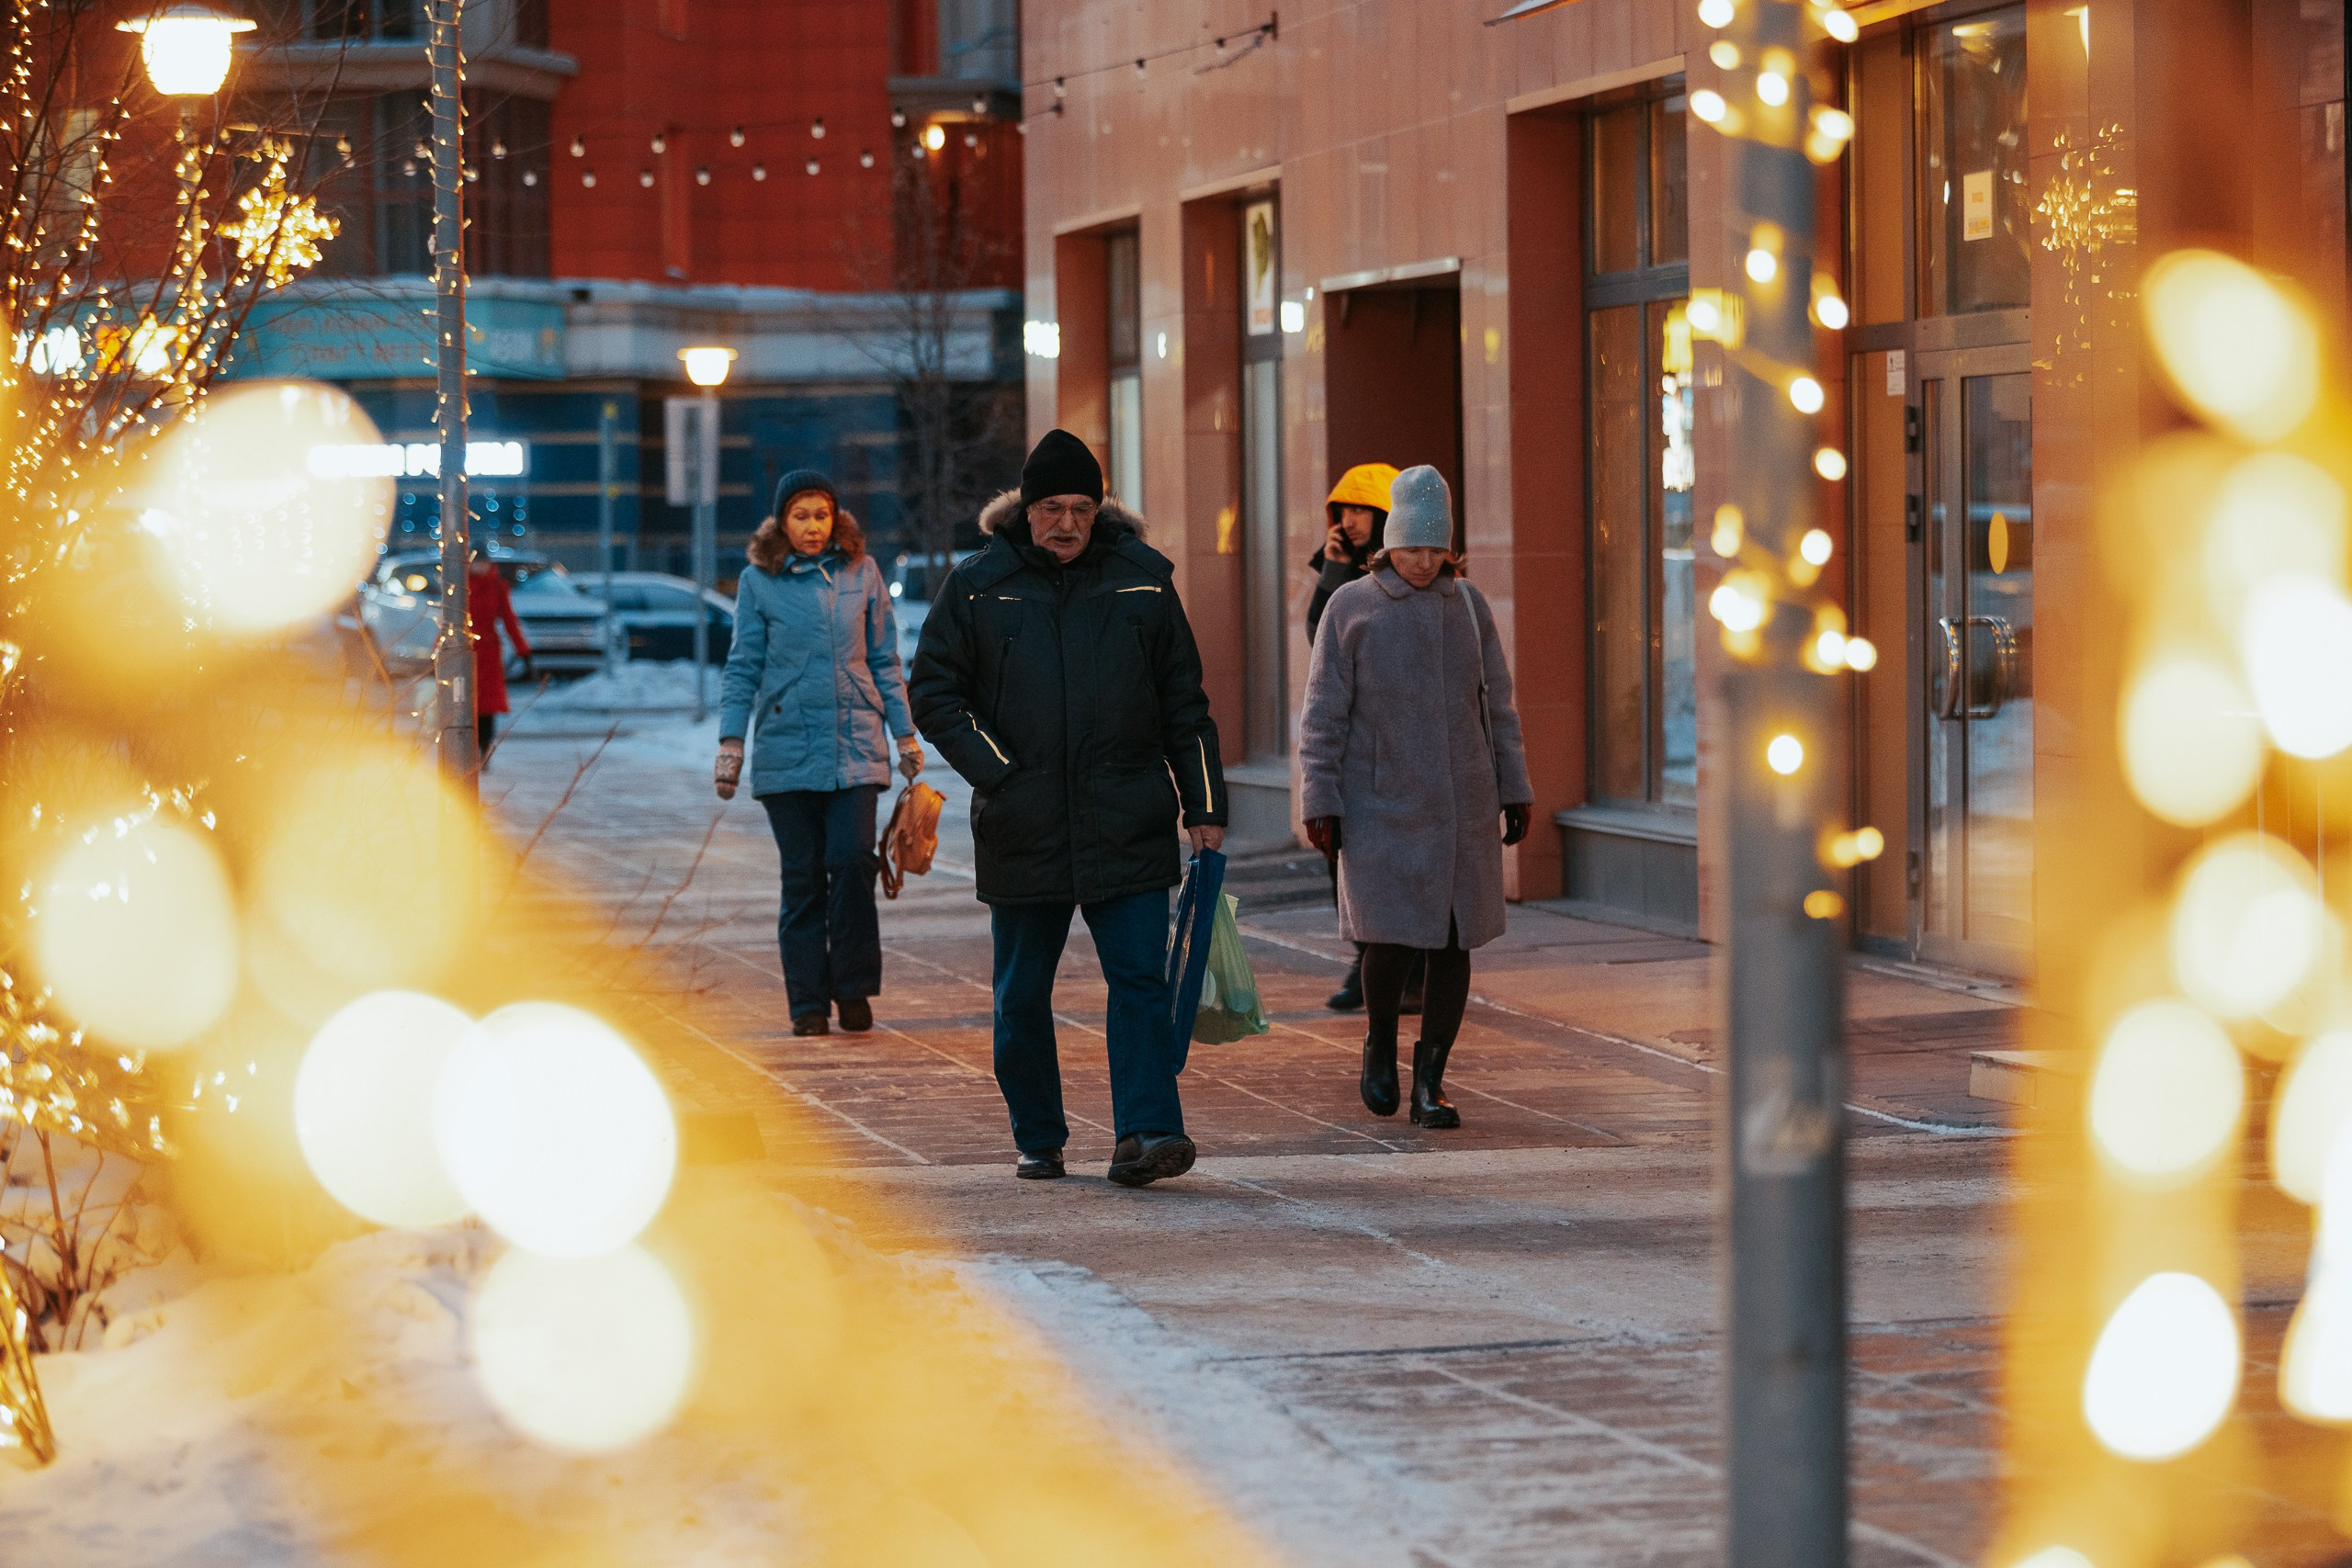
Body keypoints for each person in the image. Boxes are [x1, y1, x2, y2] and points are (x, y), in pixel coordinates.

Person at [910, 429, 1227, 1188]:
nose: (1066, 523)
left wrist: (1205, 806)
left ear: (1099, 510)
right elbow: (934, 690)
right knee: (1021, 993)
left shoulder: (1144, 581)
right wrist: (1000, 772)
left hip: (1127, 814)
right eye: (1052, 507)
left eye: (1082, 509)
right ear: (1025, 509)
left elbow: (1185, 703)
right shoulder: (979, 585)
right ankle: (1040, 1137)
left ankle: (1147, 1131)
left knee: (1140, 982)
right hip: (1026, 822)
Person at [1297, 465, 1533, 1130]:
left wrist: (1514, 786)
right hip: (1380, 806)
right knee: (1388, 939)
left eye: (1436, 548)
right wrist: (1321, 799)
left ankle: (1433, 1079)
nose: (1424, 561)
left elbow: (1499, 706)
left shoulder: (1469, 607)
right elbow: (1323, 715)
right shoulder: (1352, 607)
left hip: (1462, 806)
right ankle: (1379, 1044)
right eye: (1412, 547)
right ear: (1390, 543)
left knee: (1453, 945)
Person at [715, 469, 923, 1038]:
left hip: (857, 744)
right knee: (802, 878)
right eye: (801, 516)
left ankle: (853, 987)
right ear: (782, 521)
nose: (812, 527)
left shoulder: (863, 571)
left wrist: (904, 735)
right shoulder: (760, 580)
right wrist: (731, 741)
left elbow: (885, 660)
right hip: (785, 749)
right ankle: (807, 1002)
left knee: (853, 862)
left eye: (821, 515)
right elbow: (743, 668)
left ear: (836, 519)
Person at [1305, 463, 1405, 1012]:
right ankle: (1365, 956)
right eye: (1344, 509)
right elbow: (1317, 638)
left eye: (1363, 509)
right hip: (1348, 745)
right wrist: (1334, 571)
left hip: (1399, 743)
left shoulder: (1412, 575)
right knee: (1345, 857)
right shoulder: (1338, 570)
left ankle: (1396, 965)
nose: (1351, 519)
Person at [466, 544, 531, 764]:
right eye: (476, 561)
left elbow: (509, 620)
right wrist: (438, 648)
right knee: (466, 703)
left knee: (487, 707)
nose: (480, 566)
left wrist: (524, 650)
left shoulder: (498, 587)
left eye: (483, 561)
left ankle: (484, 752)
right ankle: (470, 752)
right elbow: (450, 620)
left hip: (490, 653)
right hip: (466, 651)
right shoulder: (461, 586)